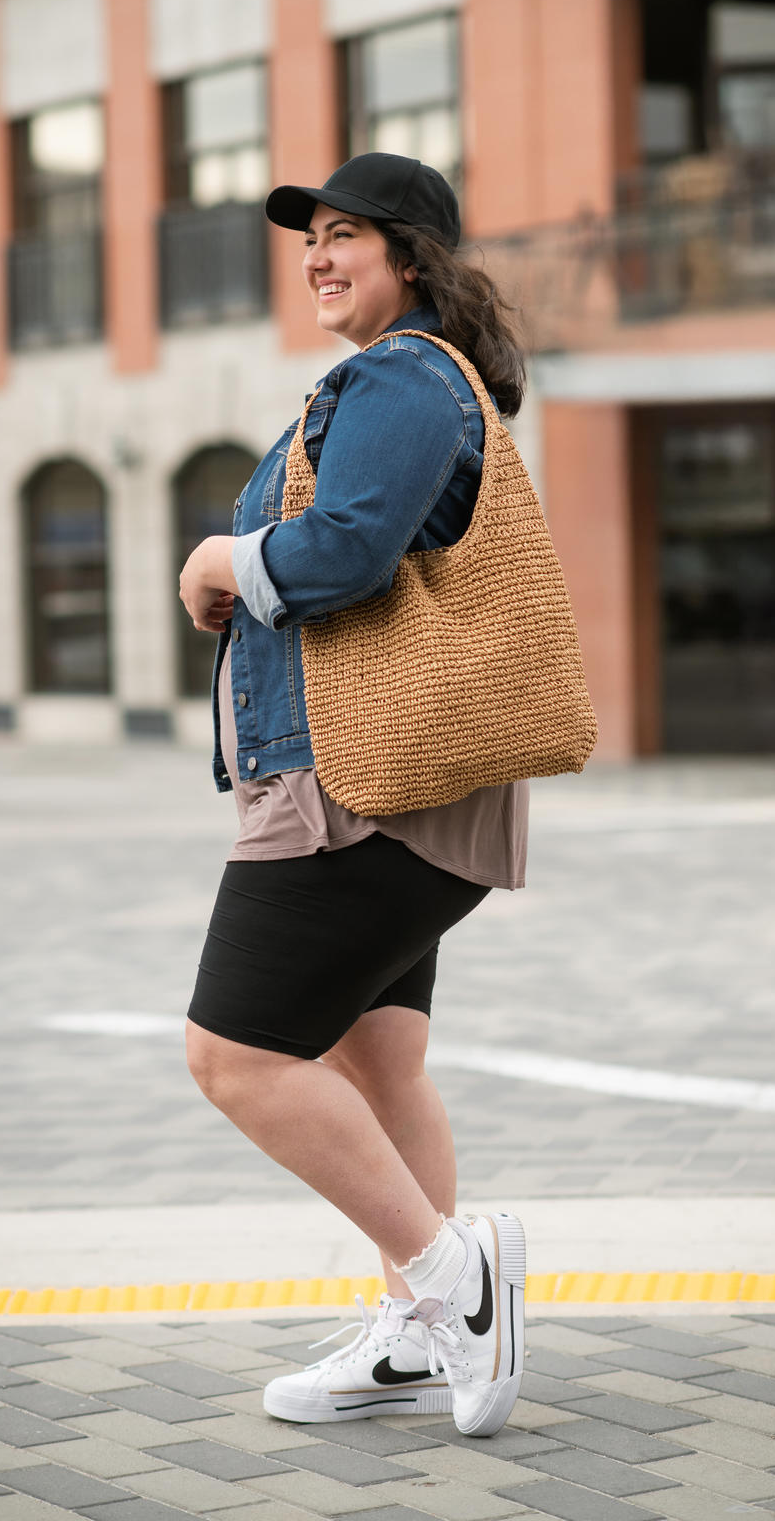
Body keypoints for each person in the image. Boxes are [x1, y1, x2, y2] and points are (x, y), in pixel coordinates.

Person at [178, 152, 529, 1438]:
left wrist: (222, 555)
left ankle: (453, 1280)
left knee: (235, 1054)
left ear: (412, 259)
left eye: (345, 236)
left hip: (353, 789)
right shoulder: (420, 376)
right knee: (373, 1060)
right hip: (402, 787)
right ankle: (416, 1334)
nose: (319, 257)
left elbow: (344, 548)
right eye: (309, 238)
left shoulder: (398, 374)